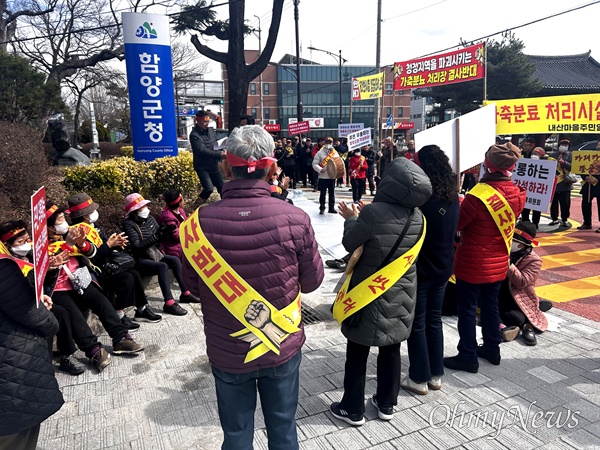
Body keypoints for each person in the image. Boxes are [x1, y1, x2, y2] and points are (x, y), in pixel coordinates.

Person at [180, 125, 324, 449]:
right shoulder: (295, 218)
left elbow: (191, 285)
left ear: (225, 167)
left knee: (236, 435)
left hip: (227, 349)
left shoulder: (195, 226)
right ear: (272, 167)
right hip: (281, 343)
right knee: (284, 430)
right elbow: (313, 282)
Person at [329, 157, 431, 426]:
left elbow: (351, 242)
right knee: (391, 349)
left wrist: (352, 219)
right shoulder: (419, 217)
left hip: (368, 294)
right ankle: (386, 404)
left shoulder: (372, 214)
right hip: (401, 295)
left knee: (358, 352)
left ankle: (352, 408)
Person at [444, 143, 526, 373]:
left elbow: (458, 224)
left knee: (468, 308)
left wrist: (456, 200)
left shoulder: (477, 196)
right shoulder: (517, 193)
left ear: (486, 165)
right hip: (499, 261)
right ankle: (492, 348)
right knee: (491, 306)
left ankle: (467, 355)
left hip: (472, 263)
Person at [402, 145, 460, 395]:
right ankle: (435, 375)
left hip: (422, 267)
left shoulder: (422, 198)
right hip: (445, 264)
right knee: (433, 320)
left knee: (417, 322)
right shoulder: (453, 195)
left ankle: (418, 377)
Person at [64, 193, 162, 329]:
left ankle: (141, 308)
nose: (95, 213)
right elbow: (94, 257)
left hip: (106, 262)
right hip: (94, 271)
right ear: (85, 215)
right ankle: (119, 314)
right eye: (92, 211)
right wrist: (109, 245)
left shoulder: (94, 225)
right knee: (126, 278)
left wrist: (116, 243)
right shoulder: (78, 232)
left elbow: (104, 243)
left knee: (134, 273)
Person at [0, 252, 64, 450]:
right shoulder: (2, 267)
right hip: (12, 369)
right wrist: (44, 314)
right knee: (17, 439)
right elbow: (34, 315)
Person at [122, 193, 199, 316]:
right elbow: (137, 246)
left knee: (174, 260)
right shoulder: (128, 224)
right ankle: (168, 303)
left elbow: (159, 237)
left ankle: (185, 293)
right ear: (135, 211)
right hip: (140, 259)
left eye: (146, 206)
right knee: (162, 266)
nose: (146, 209)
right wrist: (156, 236)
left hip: (156, 254)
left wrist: (164, 234)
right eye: (143, 207)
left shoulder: (150, 218)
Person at [498, 221, 548, 347]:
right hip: (500, 292)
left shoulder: (534, 260)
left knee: (514, 318)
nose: (511, 243)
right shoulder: (506, 250)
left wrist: (508, 263)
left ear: (522, 245)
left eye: (515, 241)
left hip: (517, 296)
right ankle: (536, 306)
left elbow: (521, 282)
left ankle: (527, 325)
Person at [190, 110, 226, 205]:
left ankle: (226, 205)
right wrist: (219, 154)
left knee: (222, 188)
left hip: (213, 165)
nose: (206, 124)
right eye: (203, 122)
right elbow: (202, 151)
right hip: (202, 167)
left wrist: (222, 149)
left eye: (207, 121)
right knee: (208, 188)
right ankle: (196, 206)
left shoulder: (210, 131)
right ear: (197, 121)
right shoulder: (194, 135)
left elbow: (215, 144)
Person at [312, 137, 343, 214]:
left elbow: (339, 163)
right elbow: (314, 163)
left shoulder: (335, 153)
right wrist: (320, 169)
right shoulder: (320, 153)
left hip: (332, 176)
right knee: (322, 193)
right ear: (324, 143)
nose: (328, 144)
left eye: (330, 142)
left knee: (332, 194)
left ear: (332, 143)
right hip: (323, 176)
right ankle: (322, 207)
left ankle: (331, 208)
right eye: (327, 142)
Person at [519, 139, 544, 227]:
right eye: (524, 145)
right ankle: (525, 221)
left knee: (536, 205)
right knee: (524, 204)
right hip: (525, 184)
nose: (525, 147)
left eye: (527, 145)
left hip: (536, 185)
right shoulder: (521, 156)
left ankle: (535, 223)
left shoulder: (544, 158)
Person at [549, 138, 573, 227]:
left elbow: (573, 167)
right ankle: (554, 219)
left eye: (566, 145)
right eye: (562, 144)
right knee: (553, 202)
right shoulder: (553, 155)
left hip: (565, 182)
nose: (564, 146)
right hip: (554, 182)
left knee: (565, 203)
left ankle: (564, 219)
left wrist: (563, 162)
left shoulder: (570, 155)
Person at [577, 140, 600, 232]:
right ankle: (587, 222)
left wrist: (597, 179)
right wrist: (585, 177)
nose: (598, 146)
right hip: (588, 184)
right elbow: (580, 167)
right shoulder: (589, 156)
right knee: (585, 203)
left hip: (599, 184)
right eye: (598, 144)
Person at [157, 189, 188, 259]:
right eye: (182, 199)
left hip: (183, 243)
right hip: (174, 248)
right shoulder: (167, 216)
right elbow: (177, 236)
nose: (184, 201)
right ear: (179, 203)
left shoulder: (180, 210)